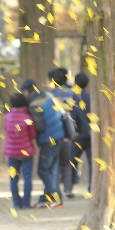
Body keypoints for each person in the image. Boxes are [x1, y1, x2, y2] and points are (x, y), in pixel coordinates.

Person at [21, 77, 69, 209]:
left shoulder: (34, 104)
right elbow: (62, 114)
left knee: (42, 170)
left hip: (48, 140)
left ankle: (56, 198)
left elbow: (40, 126)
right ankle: (46, 199)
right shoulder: (49, 95)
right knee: (51, 169)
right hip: (59, 137)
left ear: (27, 92)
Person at [4, 92, 37, 209]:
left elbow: (6, 131)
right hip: (26, 151)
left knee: (13, 178)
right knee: (27, 177)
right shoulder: (28, 118)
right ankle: (26, 203)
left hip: (12, 152)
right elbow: (33, 134)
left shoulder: (7, 117)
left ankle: (16, 203)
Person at [48, 68, 78, 198]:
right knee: (67, 162)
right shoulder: (70, 94)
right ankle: (68, 189)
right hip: (69, 132)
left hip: (54, 133)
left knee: (54, 162)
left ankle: (55, 190)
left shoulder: (50, 96)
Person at [72, 72, 93, 193]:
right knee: (91, 163)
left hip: (79, 135)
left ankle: (68, 187)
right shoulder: (90, 97)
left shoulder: (74, 97)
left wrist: (76, 130)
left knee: (71, 159)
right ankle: (91, 186)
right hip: (91, 134)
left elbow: (73, 116)